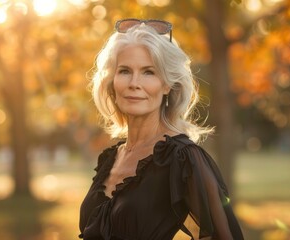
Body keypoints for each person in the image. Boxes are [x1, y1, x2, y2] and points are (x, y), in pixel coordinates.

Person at [79, 18, 244, 240]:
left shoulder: (183, 157)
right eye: (125, 71)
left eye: (149, 72)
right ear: (112, 81)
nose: (134, 83)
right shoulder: (111, 157)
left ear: (167, 84)